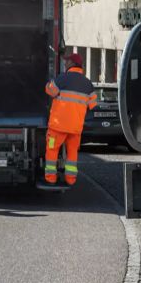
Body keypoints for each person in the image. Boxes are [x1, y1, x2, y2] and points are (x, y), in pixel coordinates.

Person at [43, 53, 96, 186]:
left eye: (67, 62)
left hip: (58, 127)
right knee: (72, 153)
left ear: (72, 64)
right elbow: (93, 104)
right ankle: (70, 180)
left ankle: (50, 178)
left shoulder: (62, 79)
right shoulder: (88, 84)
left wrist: (49, 82)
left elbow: (49, 90)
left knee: (52, 150)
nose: (65, 64)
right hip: (75, 128)